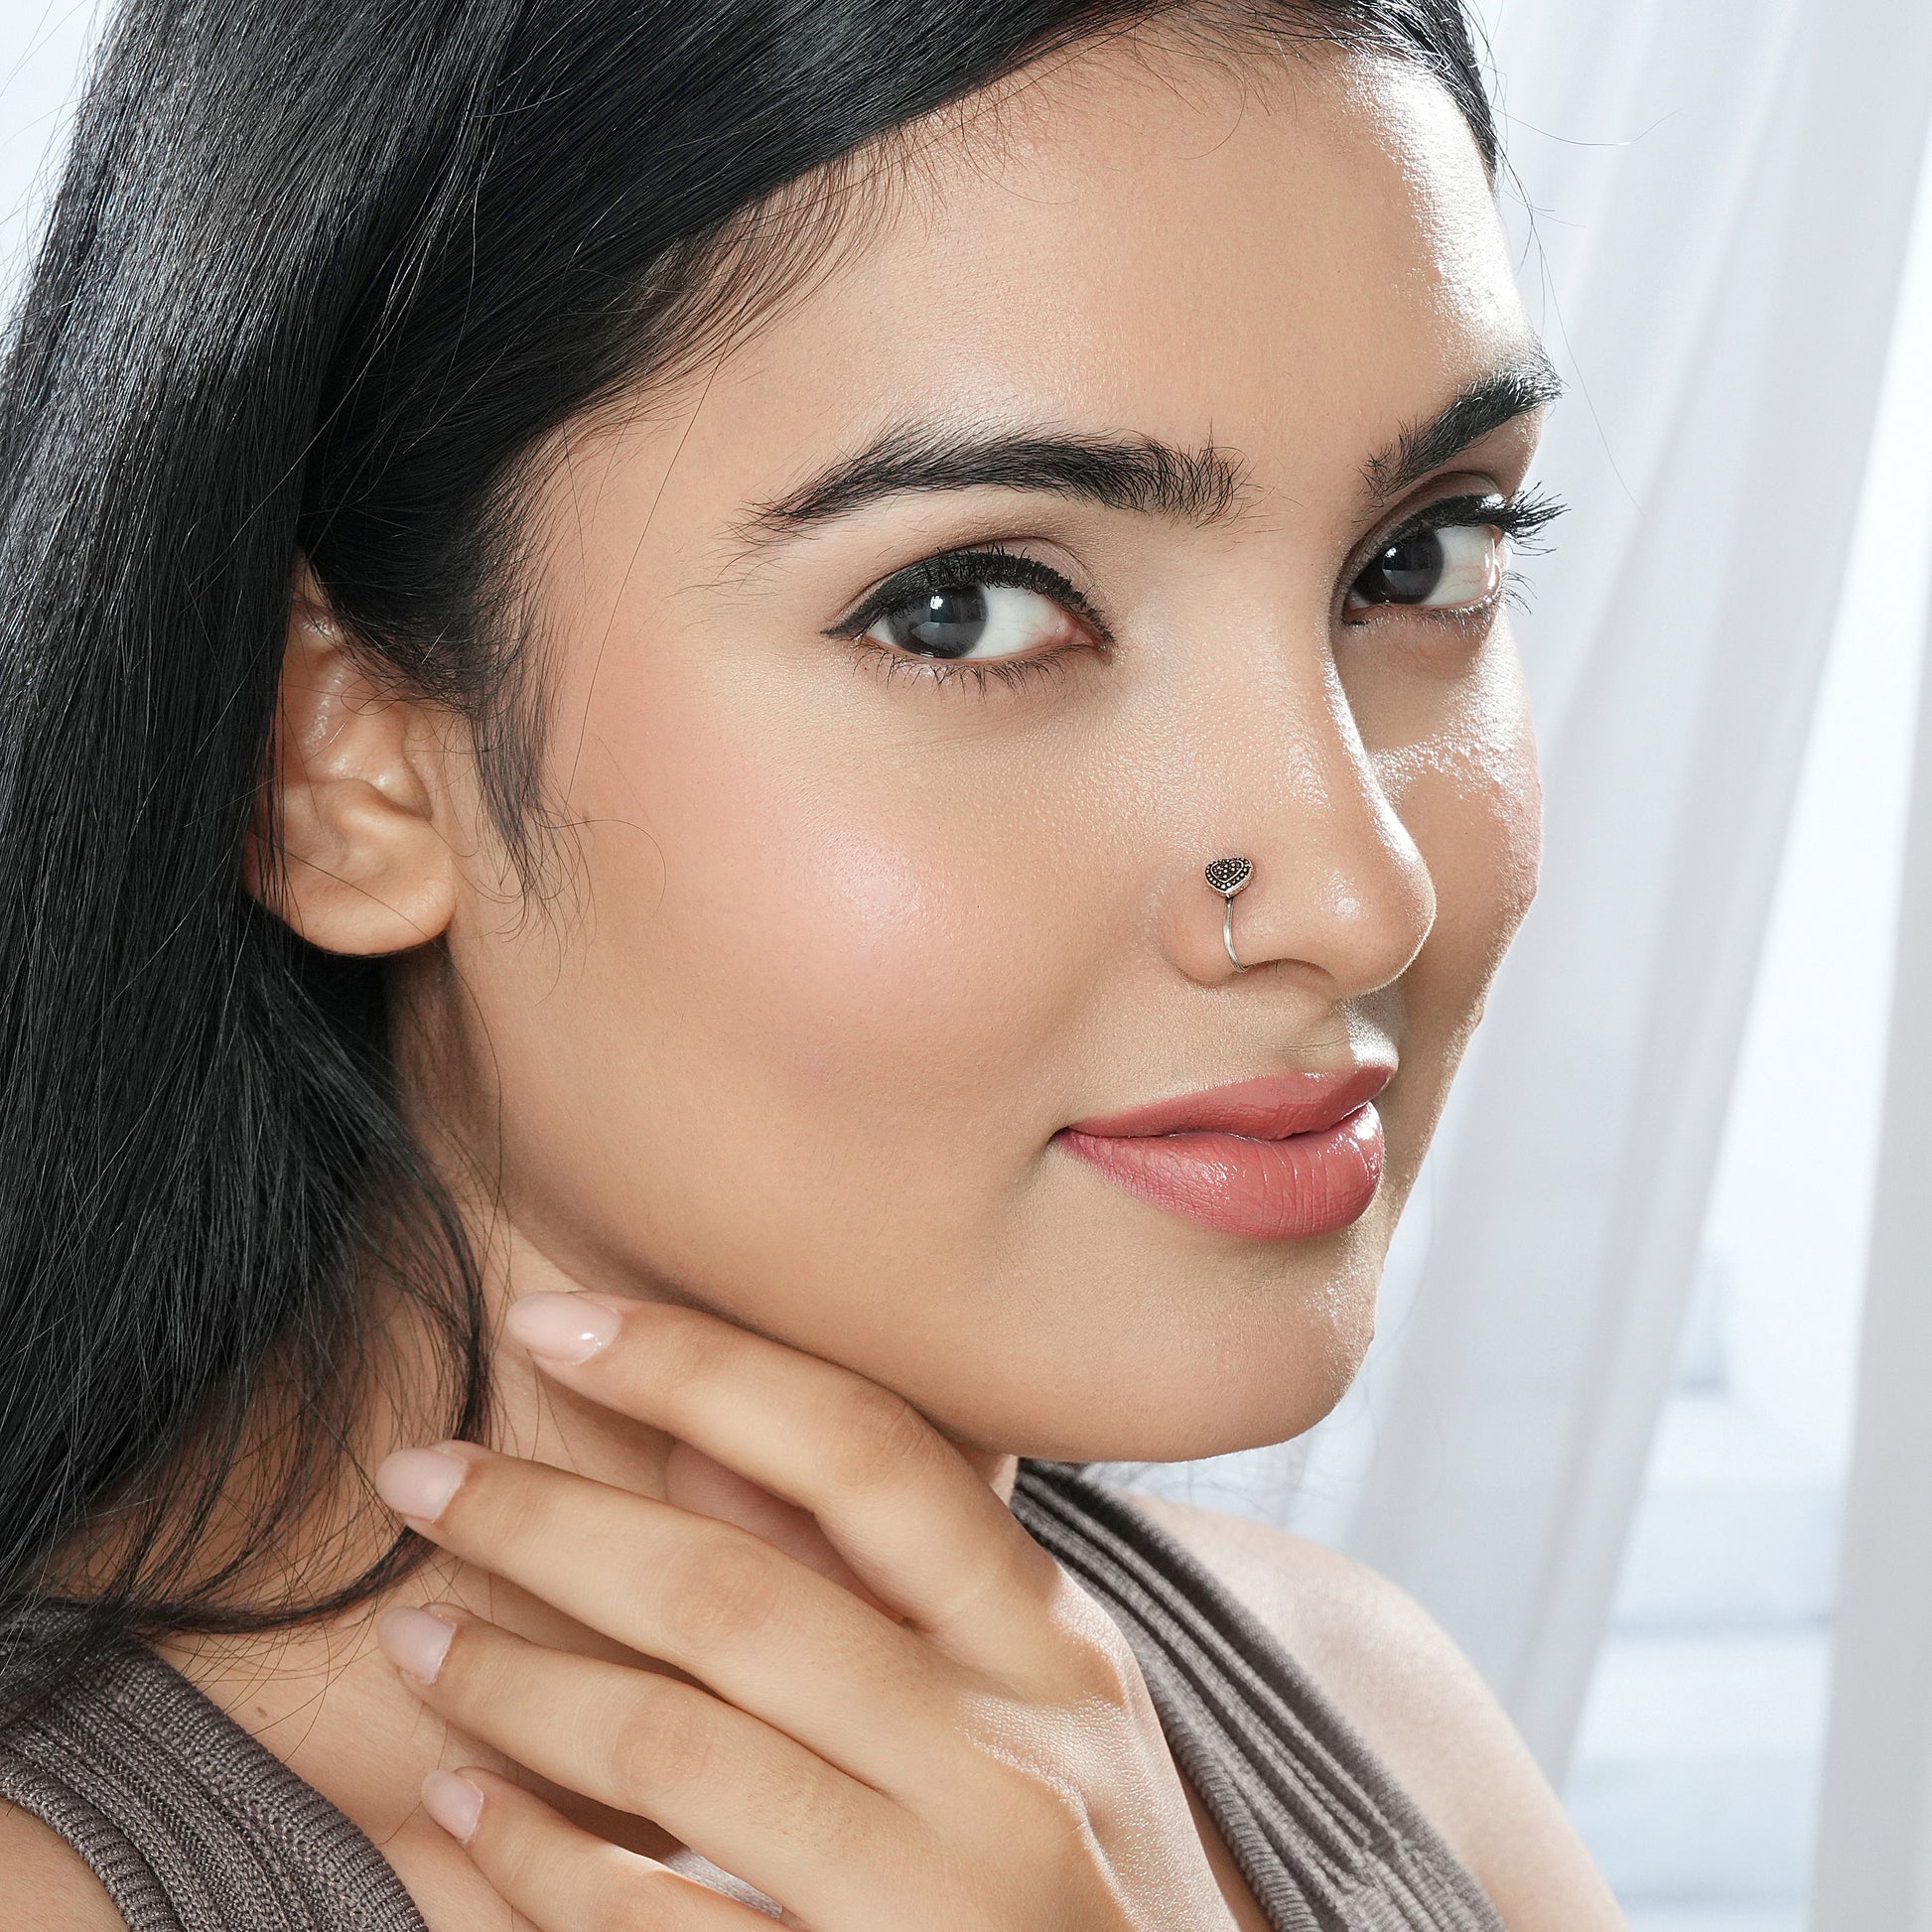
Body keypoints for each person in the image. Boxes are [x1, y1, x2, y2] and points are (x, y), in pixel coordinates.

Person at [0, 0, 1628, 1925]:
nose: (1361, 894)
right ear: (335, 763)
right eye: (968, 609)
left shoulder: (1373, 1718)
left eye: (1424, 559)